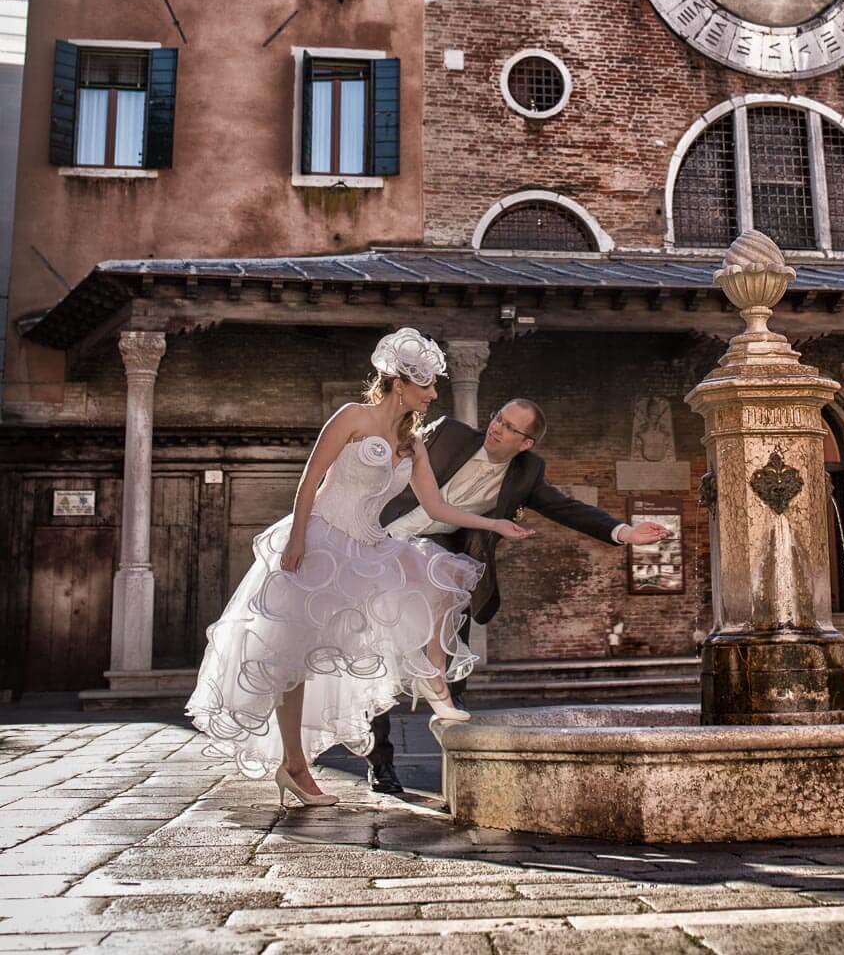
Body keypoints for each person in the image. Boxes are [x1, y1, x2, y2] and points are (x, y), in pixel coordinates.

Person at [185, 329, 532, 808]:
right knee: (290, 659)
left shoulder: (412, 443)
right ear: (400, 383)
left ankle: (435, 685)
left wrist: (492, 522)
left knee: (434, 581)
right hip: (320, 541)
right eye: (427, 384)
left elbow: (436, 505)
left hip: (367, 547)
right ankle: (295, 767)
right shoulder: (351, 417)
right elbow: (309, 483)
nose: (433, 394)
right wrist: (298, 539)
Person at [364, 396, 668, 797]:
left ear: (525, 443)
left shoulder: (527, 472)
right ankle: (380, 765)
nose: (497, 428)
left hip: (444, 567)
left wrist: (623, 532)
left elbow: (566, 508)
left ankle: (462, 768)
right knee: (374, 661)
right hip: (380, 542)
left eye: (510, 428)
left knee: (455, 669)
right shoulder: (449, 434)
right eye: (498, 418)